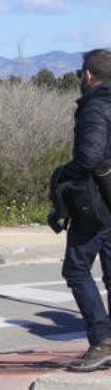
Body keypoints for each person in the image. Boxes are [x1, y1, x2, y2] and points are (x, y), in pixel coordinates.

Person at [52, 49, 111, 372]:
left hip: (97, 203)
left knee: (76, 269)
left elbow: (88, 158)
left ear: (88, 75)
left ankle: (101, 341)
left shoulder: (95, 108)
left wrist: (61, 174)